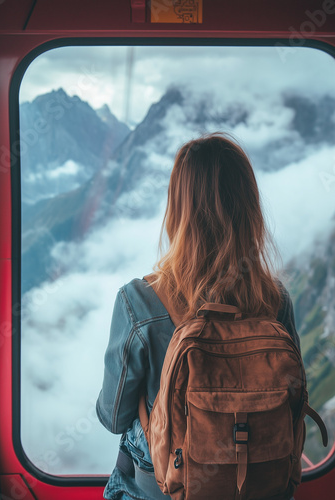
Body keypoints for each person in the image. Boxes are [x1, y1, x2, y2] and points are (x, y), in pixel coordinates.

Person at [96, 132, 300, 500]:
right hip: (261, 488)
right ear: (250, 210)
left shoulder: (138, 301)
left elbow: (113, 418)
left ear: (178, 210)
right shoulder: (275, 300)